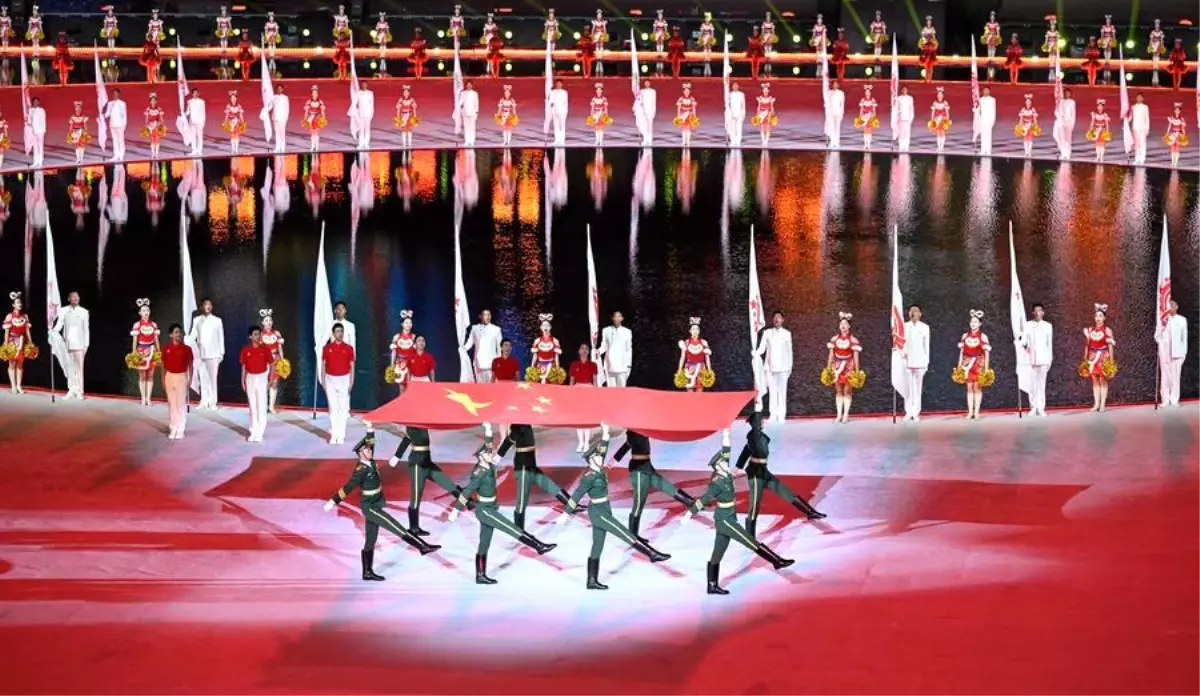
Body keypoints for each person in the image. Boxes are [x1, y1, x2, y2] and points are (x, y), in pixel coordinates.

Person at [324, 430, 441, 582]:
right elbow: (348, 487)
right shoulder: (360, 470)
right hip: (370, 507)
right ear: (360, 454)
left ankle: (367, 572)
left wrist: (370, 430)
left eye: (369, 449)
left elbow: (371, 443)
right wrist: (333, 501)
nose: (370, 451)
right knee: (396, 526)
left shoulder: (370, 461)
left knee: (370, 540)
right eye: (367, 450)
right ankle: (422, 547)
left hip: (376, 502)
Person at [558, 435, 671, 590]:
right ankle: (652, 554)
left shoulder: (599, 468)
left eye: (600, 456)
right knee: (624, 533)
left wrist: (605, 435)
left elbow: (603, 449)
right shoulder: (588, 477)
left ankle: (591, 581)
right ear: (591, 460)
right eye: (598, 457)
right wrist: (566, 514)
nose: (601, 458)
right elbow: (576, 495)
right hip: (598, 513)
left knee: (597, 546)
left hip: (605, 508)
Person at [688, 434, 794, 595]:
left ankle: (712, 585)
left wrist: (726, 434)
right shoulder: (717, 483)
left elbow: (726, 452)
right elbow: (704, 499)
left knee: (717, 554)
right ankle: (776, 561)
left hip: (728, 517)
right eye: (723, 463)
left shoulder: (725, 473)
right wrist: (689, 513)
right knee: (749, 541)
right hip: (725, 520)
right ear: (717, 467)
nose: (726, 464)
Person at [449, 443, 556, 584]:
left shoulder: (490, 466)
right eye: (488, 453)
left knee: (484, 543)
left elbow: (489, 443)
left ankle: (480, 575)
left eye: (490, 452)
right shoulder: (479, 473)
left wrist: (488, 433)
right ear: (481, 457)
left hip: (491, 507)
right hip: (485, 510)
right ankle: (538, 546)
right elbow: (466, 492)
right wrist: (456, 510)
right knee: (510, 527)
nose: (491, 455)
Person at [496, 423, 579, 529]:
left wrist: (499, 455)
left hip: (531, 464)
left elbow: (510, 440)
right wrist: (498, 455)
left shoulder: (525, 424)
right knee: (522, 501)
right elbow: (509, 440)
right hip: (523, 467)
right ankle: (519, 530)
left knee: (549, 485)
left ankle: (571, 504)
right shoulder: (518, 426)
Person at [754, 311, 792, 423]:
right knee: (773, 392)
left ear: (782, 320)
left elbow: (789, 352)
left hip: (783, 368)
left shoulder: (787, 334)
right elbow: (762, 348)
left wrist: (789, 366)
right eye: (775, 317)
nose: (777, 319)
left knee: (782, 392)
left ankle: (781, 415)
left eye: (779, 317)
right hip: (770, 367)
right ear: (772, 320)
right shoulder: (767, 333)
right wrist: (755, 353)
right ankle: (773, 415)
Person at [189, 298, 225, 410]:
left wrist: (222, 352)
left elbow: (220, 337)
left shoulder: (217, 320)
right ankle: (204, 401)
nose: (208, 306)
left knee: (212, 379)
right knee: (203, 379)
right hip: (201, 354)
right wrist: (187, 339)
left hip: (214, 354)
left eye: (209, 304)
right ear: (201, 307)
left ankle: (213, 402)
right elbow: (193, 335)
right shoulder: (197, 320)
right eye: (205, 304)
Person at [52, 291, 89, 399]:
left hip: (80, 344)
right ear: (69, 299)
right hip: (67, 344)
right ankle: (71, 389)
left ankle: (79, 391)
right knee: (69, 367)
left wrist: (86, 344)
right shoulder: (63, 310)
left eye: (77, 296)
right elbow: (60, 324)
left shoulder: (84, 312)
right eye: (73, 297)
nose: (76, 298)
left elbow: (86, 329)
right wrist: (53, 331)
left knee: (79, 368)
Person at [826, 312, 862, 423]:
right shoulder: (834, 339)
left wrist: (857, 372)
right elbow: (831, 355)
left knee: (847, 390)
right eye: (841, 324)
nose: (843, 326)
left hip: (848, 367)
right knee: (838, 390)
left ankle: (846, 414)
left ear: (849, 326)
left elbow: (856, 357)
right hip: (837, 367)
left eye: (845, 324)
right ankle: (839, 415)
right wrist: (828, 369)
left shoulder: (853, 340)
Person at [240, 326, 273, 442]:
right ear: (250, 336)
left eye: (259, 334)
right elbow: (244, 366)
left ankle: (260, 432)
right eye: (255, 334)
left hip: (262, 378)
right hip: (250, 378)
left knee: (261, 405)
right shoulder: (246, 350)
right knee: (252, 406)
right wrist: (243, 380)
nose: (258, 336)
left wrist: (270, 379)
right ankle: (253, 431)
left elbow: (272, 365)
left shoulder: (265, 350)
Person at [957, 310, 992, 420]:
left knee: (977, 387)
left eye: (976, 322)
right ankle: (970, 412)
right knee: (969, 388)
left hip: (978, 364)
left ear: (980, 324)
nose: (973, 324)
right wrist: (959, 366)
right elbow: (961, 352)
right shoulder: (965, 336)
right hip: (967, 364)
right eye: (972, 321)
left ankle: (976, 412)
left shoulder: (983, 337)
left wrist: (986, 369)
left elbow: (987, 354)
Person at [161, 324, 193, 439]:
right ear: (171, 335)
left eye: (180, 332)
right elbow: (163, 365)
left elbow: (190, 365)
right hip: (169, 376)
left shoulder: (187, 349)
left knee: (180, 404)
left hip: (181, 377)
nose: (178, 334)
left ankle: (180, 428)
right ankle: (173, 427)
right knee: (172, 404)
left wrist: (190, 379)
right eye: (176, 332)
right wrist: (163, 379)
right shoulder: (166, 349)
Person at [1022, 303, 1054, 416]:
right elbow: (1024, 341)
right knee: (1032, 384)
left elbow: (1049, 344)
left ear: (1043, 312)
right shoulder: (1027, 325)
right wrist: (1023, 343)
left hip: (1044, 358)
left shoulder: (1048, 326)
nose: (1037, 313)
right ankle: (1033, 407)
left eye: (1040, 310)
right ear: (1032, 313)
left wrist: (1050, 359)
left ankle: (1041, 407)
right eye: (1035, 311)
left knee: (1041, 384)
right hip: (1031, 359)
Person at [1083, 303, 1116, 412]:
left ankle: (1102, 404)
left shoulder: (1107, 330)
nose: (1098, 318)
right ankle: (1096, 403)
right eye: (1096, 316)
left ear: (1104, 318)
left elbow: (1110, 346)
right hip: (1092, 356)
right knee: (1094, 379)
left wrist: (1111, 361)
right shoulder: (1090, 330)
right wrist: (1085, 358)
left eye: (1100, 316)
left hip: (1103, 356)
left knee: (1102, 379)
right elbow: (1087, 345)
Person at [567, 343, 599, 451]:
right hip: (577, 390)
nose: (584, 350)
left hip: (589, 390)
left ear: (588, 351)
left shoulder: (593, 365)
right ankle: (580, 442)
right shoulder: (574, 364)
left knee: (587, 417)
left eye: (586, 348)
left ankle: (586, 443)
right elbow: (571, 380)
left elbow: (595, 380)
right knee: (578, 418)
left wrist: (595, 394)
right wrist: (570, 393)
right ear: (579, 351)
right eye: (582, 348)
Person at [129, 299, 160, 406]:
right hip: (141, 351)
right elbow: (134, 341)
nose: (146, 312)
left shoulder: (154, 325)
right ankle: (143, 398)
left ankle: (148, 398)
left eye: (147, 310)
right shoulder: (137, 325)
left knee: (150, 375)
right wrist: (134, 353)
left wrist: (158, 351)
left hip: (152, 350)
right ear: (140, 313)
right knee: (142, 376)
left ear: (149, 312)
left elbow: (156, 339)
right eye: (143, 311)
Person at [1158, 300, 1188, 407]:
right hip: (1165, 353)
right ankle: (1165, 400)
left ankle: (1174, 400)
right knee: (1165, 377)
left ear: (1177, 307)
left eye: (1172, 305)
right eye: (1168, 305)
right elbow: (1156, 336)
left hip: (1177, 353)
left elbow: (1184, 338)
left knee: (1175, 377)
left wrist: (1184, 353)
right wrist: (1161, 343)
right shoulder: (1162, 320)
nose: (1170, 307)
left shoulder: (1182, 320)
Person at [462, 308, 502, 382]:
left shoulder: (496, 329)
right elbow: (470, 342)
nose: (487, 317)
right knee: (480, 386)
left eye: (489, 315)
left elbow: (500, 347)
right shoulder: (475, 328)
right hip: (478, 364)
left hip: (491, 364)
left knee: (492, 386)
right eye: (485, 315)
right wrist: (462, 349)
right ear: (480, 316)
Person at [3, 291, 31, 393]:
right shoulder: (9, 316)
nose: (20, 304)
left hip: (22, 341)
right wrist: (6, 344)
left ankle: (19, 386)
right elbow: (6, 332)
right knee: (12, 363)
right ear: (13, 305)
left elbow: (27, 330)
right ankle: (13, 386)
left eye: (20, 302)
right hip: (12, 342)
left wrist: (30, 342)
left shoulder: (25, 316)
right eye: (17, 302)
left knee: (20, 364)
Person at [597, 311, 632, 387]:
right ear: (612, 318)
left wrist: (629, 365)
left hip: (622, 366)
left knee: (621, 391)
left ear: (622, 318)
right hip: (609, 365)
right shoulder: (606, 330)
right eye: (615, 316)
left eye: (619, 316)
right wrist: (598, 352)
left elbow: (628, 350)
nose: (617, 318)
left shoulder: (627, 332)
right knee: (611, 391)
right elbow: (604, 346)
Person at [677, 317, 713, 392]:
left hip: (701, 369)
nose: (695, 331)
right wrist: (679, 369)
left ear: (699, 331)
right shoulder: (686, 343)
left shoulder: (704, 342)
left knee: (700, 390)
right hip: (689, 368)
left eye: (697, 329)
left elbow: (707, 359)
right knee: (689, 390)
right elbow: (682, 358)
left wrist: (709, 370)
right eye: (693, 329)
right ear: (690, 331)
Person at [387, 310, 417, 395]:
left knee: (411, 387)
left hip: (411, 364)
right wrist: (392, 366)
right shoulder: (396, 337)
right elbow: (393, 352)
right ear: (402, 324)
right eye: (406, 323)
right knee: (401, 387)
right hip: (400, 364)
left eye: (410, 323)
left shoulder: (414, 337)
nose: (408, 325)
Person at [529, 313, 562, 383]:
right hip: (539, 366)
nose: (545, 327)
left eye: (547, 325)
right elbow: (535, 356)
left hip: (551, 366)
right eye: (544, 326)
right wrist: (532, 368)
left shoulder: (555, 341)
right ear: (541, 327)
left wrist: (557, 369)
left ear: (550, 327)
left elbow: (556, 357)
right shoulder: (537, 341)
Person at [751, 82, 778, 147]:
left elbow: (771, 107)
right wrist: (757, 115)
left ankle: (766, 141)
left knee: (768, 127)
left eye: (766, 90)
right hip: (762, 114)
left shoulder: (771, 98)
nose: (765, 92)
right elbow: (758, 107)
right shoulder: (760, 98)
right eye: (764, 90)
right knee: (762, 127)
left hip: (768, 114)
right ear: (763, 91)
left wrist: (772, 114)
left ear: (768, 91)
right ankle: (763, 141)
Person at [391, 84, 417, 150]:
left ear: (409, 93)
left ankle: (410, 143)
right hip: (403, 116)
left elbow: (414, 108)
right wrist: (398, 117)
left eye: (407, 92)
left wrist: (414, 116)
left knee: (410, 129)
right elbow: (398, 108)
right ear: (403, 93)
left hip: (409, 115)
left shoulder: (411, 99)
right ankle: (404, 143)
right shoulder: (401, 99)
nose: (406, 93)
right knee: (403, 129)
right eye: (404, 92)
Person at [103, 87, 127, 161]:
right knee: (115, 140)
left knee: (121, 140)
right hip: (112, 124)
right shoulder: (110, 103)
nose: (115, 95)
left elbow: (124, 115)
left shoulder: (122, 103)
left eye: (116, 94)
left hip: (120, 125)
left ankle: (121, 155)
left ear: (119, 94)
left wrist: (124, 125)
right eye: (114, 94)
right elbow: (108, 113)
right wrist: (103, 115)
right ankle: (116, 155)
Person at [351, 80, 375, 151]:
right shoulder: (358, 93)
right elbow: (355, 103)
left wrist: (371, 114)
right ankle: (361, 144)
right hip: (360, 114)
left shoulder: (370, 93)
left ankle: (366, 144)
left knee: (367, 129)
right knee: (361, 130)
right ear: (361, 85)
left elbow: (372, 104)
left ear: (367, 85)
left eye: (365, 84)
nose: (364, 85)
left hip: (368, 114)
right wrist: (354, 112)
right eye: (363, 84)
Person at [1015, 93, 1040, 158]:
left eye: (1029, 102)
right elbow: (1021, 118)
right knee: (1025, 138)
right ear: (1025, 103)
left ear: (1031, 103)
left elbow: (1034, 118)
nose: (1028, 103)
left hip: (1031, 125)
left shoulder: (1033, 109)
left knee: (1030, 138)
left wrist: (1036, 125)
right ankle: (1026, 152)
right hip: (1025, 125)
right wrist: (1020, 125)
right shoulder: (1023, 109)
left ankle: (1029, 152)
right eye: (1027, 102)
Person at [854, 84, 879, 150]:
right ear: (865, 93)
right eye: (866, 92)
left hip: (870, 116)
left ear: (870, 93)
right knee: (865, 130)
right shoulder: (863, 100)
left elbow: (874, 109)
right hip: (864, 116)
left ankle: (869, 144)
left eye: (868, 92)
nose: (867, 93)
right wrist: (860, 116)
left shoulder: (872, 100)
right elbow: (861, 108)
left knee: (869, 130)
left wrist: (874, 116)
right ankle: (865, 144)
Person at [1164, 102, 1189, 168]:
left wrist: (1184, 134)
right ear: (1174, 111)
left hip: (1179, 134)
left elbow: (1184, 126)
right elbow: (1169, 126)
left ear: (1180, 111)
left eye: (1178, 110)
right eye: (1176, 110)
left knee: (1177, 148)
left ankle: (1176, 163)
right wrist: (1167, 133)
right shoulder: (1171, 118)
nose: (1177, 111)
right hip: (1173, 134)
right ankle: (1172, 162)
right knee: (1172, 148)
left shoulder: (1181, 118)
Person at [141, 92, 166, 159]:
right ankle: (153, 154)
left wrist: (162, 126)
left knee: (157, 139)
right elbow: (146, 119)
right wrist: (146, 126)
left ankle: (157, 154)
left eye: (154, 100)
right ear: (150, 101)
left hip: (157, 125)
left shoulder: (159, 109)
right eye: (152, 100)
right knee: (152, 140)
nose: (153, 102)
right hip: (150, 126)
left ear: (156, 101)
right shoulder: (148, 109)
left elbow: (161, 118)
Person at [303, 85, 327, 153]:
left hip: (317, 118)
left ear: (317, 94)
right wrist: (305, 119)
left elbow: (322, 111)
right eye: (313, 93)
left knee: (316, 132)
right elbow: (306, 111)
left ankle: (317, 147)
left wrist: (323, 119)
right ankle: (312, 146)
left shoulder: (320, 102)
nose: (314, 95)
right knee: (312, 133)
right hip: (311, 118)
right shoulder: (308, 102)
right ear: (311, 94)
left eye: (316, 93)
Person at [586, 82, 611, 147]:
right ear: (596, 91)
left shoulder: (604, 98)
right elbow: (592, 107)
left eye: (600, 90)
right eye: (598, 90)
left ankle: (601, 141)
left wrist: (606, 115)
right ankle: (597, 141)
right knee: (597, 127)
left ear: (601, 91)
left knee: (601, 127)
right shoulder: (594, 98)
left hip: (602, 113)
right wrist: (591, 115)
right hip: (595, 114)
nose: (599, 91)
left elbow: (605, 107)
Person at [221, 90, 246, 154]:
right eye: (232, 98)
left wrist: (243, 122)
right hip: (231, 122)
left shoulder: (239, 106)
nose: (233, 99)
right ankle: (233, 150)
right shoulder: (228, 106)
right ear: (230, 99)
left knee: (237, 135)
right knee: (232, 135)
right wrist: (225, 122)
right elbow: (227, 115)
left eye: (234, 98)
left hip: (237, 122)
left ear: (236, 98)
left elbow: (241, 115)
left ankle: (236, 150)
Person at [66, 101, 91, 165]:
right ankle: (78, 159)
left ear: (81, 109)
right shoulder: (72, 117)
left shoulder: (84, 117)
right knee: (77, 146)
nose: (78, 110)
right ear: (75, 109)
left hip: (81, 132)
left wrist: (86, 132)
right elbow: (71, 126)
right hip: (75, 132)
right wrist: (70, 133)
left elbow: (85, 125)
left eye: (79, 108)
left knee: (82, 146)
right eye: (76, 108)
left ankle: (81, 159)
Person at [633, 79, 656, 146]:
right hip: (643, 111)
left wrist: (654, 111)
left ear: (650, 83)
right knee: (644, 126)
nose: (647, 84)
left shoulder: (653, 91)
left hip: (650, 111)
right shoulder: (641, 91)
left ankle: (649, 140)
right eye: (645, 83)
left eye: (648, 83)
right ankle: (645, 140)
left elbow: (654, 102)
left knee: (650, 126)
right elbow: (639, 100)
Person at [546, 78, 568, 146]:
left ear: (562, 85)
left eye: (560, 84)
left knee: (562, 126)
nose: (558, 85)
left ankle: (562, 141)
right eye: (557, 84)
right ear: (555, 84)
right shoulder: (552, 92)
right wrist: (551, 105)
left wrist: (565, 111)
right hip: (555, 111)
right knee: (556, 126)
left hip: (562, 112)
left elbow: (565, 102)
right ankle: (557, 140)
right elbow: (550, 101)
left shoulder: (564, 92)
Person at [457, 79, 480, 147]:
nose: (469, 86)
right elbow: (460, 102)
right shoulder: (463, 93)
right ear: (466, 85)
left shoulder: (475, 93)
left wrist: (476, 112)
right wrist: (459, 107)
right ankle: (467, 141)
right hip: (465, 112)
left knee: (472, 127)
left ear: (472, 85)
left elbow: (476, 103)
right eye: (468, 85)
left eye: (470, 85)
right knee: (466, 127)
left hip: (472, 112)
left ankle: (471, 141)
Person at [929, 86, 951, 153]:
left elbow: (947, 112)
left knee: (943, 132)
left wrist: (948, 119)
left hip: (943, 118)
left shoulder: (945, 102)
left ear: (943, 95)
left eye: (941, 95)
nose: (940, 96)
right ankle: (939, 147)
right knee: (938, 132)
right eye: (939, 94)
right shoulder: (935, 103)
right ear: (937, 95)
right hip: (937, 119)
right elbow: (933, 112)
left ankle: (942, 147)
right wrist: (932, 120)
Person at [1131, 93, 1151, 165]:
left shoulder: (1145, 107)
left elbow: (1147, 118)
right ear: (1136, 98)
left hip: (1143, 128)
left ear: (1143, 99)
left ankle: (1142, 159)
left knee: (1142, 144)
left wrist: (1147, 129)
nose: (1139, 98)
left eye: (1140, 97)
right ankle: (1137, 159)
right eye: (1138, 97)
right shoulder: (1133, 107)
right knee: (1137, 144)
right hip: (1135, 127)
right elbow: (1131, 117)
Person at [269, 84, 290, 153]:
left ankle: (282, 148)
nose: (279, 90)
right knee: (277, 133)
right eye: (278, 88)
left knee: (282, 133)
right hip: (275, 118)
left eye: (280, 88)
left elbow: (287, 108)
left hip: (282, 118)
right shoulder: (273, 97)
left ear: (282, 89)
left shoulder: (285, 97)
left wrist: (286, 118)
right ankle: (277, 147)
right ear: (276, 89)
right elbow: (270, 106)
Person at [724, 81, 746, 148]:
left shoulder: (741, 94)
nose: (735, 87)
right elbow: (728, 104)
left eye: (736, 86)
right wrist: (728, 113)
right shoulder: (730, 94)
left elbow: (743, 105)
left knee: (739, 128)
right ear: (732, 87)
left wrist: (743, 113)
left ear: (738, 86)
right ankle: (733, 141)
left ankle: (738, 142)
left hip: (739, 113)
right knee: (732, 129)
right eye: (734, 86)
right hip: (732, 113)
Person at [1057, 88, 1076, 160]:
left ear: (1070, 94)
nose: (1067, 94)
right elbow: (1059, 111)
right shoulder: (1061, 101)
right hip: (1062, 122)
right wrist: (1060, 120)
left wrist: (1072, 123)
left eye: (1068, 93)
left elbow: (1073, 113)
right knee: (1062, 139)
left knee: (1068, 139)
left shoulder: (1072, 102)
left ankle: (1068, 154)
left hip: (1069, 122)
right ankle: (1063, 154)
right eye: (1066, 93)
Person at [824, 78, 845, 149]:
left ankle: (837, 142)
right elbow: (827, 103)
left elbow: (842, 104)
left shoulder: (841, 93)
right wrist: (827, 113)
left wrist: (842, 113)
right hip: (830, 113)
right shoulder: (829, 92)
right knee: (831, 128)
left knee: (837, 128)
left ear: (838, 85)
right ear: (832, 85)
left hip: (838, 113)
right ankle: (832, 142)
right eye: (834, 84)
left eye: (836, 84)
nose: (835, 85)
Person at [977, 85, 997, 156]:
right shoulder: (980, 99)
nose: (985, 91)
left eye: (987, 90)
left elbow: (993, 110)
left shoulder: (992, 99)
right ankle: (983, 150)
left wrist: (992, 120)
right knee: (983, 135)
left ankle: (988, 151)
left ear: (989, 91)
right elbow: (979, 110)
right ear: (983, 91)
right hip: (982, 119)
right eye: (984, 90)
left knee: (988, 135)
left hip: (989, 119)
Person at [982, 12, 1002, 80]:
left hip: (993, 39)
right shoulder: (987, 24)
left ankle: (992, 75)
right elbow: (985, 32)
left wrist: (998, 38)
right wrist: (985, 38)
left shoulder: (996, 24)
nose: (992, 17)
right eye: (991, 16)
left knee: (993, 56)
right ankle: (988, 75)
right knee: (989, 56)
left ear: (994, 17)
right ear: (990, 17)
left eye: (993, 16)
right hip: (989, 39)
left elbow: (998, 33)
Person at [894, 85, 914, 152]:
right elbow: (896, 108)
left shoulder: (910, 98)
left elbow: (911, 108)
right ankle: (901, 147)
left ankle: (906, 147)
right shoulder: (899, 98)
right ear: (901, 90)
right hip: (901, 118)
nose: (904, 90)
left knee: (907, 133)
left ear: (907, 90)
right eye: (903, 89)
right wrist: (897, 116)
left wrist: (911, 117)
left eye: (906, 89)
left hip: (907, 118)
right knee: (901, 133)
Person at [918, 16, 938, 82]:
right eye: (928, 21)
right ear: (926, 22)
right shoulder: (924, 29)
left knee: (931, 67)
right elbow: (921, 40)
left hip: (931, 51)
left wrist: (932, 40)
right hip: (926, 51)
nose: (929, 22)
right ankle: (926, 79)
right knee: (926, 66)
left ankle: (930, 79)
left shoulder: (933, 28)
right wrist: (924, 42)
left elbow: (935, 42)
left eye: (930, 21)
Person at [29, 96, 46, 168]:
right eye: (34, 101)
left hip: (40, 131)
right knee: (35, 147)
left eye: (37, 101)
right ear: (32, 102)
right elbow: (29, 120)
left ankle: (40, 161)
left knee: (40, 146)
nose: (36, 103)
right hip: (33, 131)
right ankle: (35, 161)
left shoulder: (41, 110)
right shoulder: (30, 110)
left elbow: (43, 120)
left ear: (39, 102)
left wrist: (43, 130)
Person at [1147, 19, 1165, 87]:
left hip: (1158, 45)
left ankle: (1156, 63)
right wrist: (1150, 45)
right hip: (1154, 45)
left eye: (1158, 25)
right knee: (1154, 56)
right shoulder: (1152, 32)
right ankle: (1154, 63)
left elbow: (1162, 40)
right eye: (1156, 25)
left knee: (1157, 56)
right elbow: (1151, 39)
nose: (1157, 26)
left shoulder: (1161, 32)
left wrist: (1162, 46)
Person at [1041, 17, 1060, 82]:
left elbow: (1058, 40)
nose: (1052, 27)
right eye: (1051, 26)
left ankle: (1054, 74)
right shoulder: (1048, 32)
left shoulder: (1056, 32)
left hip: (1055, 46)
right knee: (1050, 59)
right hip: (1050, 45)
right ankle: (1050, 74)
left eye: (1053, 26)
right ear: (1050, 26)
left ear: (1055, 26)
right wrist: (1045, 45)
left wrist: (1056, 45)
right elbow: (1046, 40)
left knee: (1054, 59)